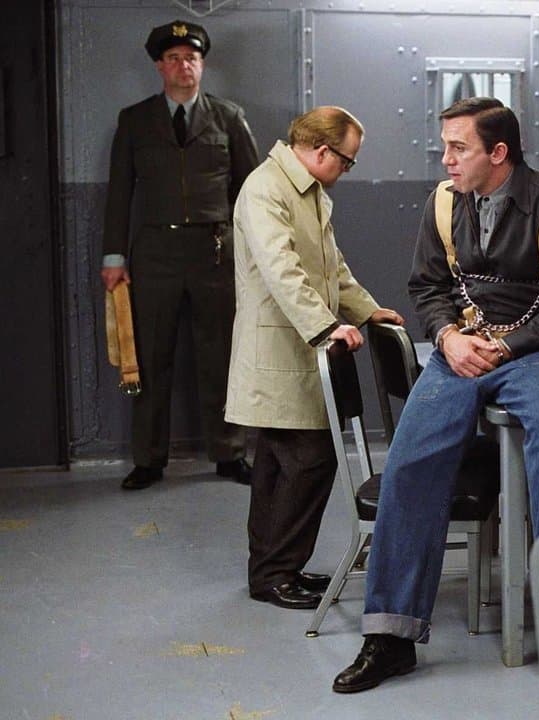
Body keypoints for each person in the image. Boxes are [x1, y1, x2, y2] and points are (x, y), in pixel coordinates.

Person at [332, 97, 539, 692]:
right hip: (457, 352)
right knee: (410, 458)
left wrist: (505, 347)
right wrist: (449, 337)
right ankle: (391, 637)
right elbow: (427, 287)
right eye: (445, 146)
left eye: (459, 148)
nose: (446, 159)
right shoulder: (443, 202)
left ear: (498, 153)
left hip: (531, 353)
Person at [225, 106, 404, 609]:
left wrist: (366, 310)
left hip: (298, 349)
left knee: (279, 466)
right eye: (347, 161)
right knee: (309, 460)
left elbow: (332, 269)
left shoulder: (306, 191)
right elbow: (282, 270)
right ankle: (274, 573)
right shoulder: (267, 190)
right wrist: (327, 326)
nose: (346, 170)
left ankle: (274, 570)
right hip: (280, 350)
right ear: (323, 151)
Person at [103, 20, 260, 490]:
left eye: (190, 58)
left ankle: (230, 452)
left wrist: (253, 253)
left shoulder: (228, 117)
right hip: (155, 254)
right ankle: (149, 459)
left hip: (215, 251)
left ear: (202, 65)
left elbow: (251, 189)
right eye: (173, 58)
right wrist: (113, 256)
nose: (183, 66)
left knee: (220, 355)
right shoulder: (135, 120)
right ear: (159, 66)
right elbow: (119, 192)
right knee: (151, 358)